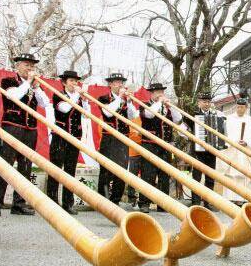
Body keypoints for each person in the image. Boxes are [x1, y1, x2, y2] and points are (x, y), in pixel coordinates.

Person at [0, 53, 50, 217]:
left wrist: (37, 87)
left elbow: (44, 103)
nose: (30, 68)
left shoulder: (34, 85)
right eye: (26, 64)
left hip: (30, 130)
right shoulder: (9, 81)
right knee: (5, 165)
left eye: (32, 65)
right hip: (12, 127)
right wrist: (28, 83)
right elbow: (14, 96)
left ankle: (19, 203)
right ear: (17, 66)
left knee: (25, 167)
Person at [46, 70, 89, 215]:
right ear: (64, 83)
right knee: (56, 169)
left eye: (76, 81)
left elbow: (87, 114)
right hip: (60, 136)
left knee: (70, 171)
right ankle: (52, 202)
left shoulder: (78, 97)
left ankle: (68, 203)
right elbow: (64, 109)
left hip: (75, 137)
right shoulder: (58, 94)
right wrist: (77, 95)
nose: (74, 84)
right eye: (71, 81)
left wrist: (84, 99)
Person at [96, 73, 138, 207]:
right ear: (110, 85)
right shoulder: (103, 98)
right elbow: (108, 113)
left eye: (121, 82)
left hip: (123, 138)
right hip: (109, 138)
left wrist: (130, 101)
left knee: (121, 170)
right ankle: (102, 200)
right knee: (106, 169)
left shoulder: (126, 100)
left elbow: (132, 117)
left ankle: (115, 200)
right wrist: (119, 98)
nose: (120, 85)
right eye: (116, 82)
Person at [139, 82, 181, 212]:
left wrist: (170, 106)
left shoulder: (166, 107)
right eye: (157, 92)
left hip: (165, 145)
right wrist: (159, 102)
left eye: (162, 91)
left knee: (164, 174)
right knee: (148, 174)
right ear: (151, 93)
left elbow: (178, 119)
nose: (160, 94)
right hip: (149, 144)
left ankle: (162, 204)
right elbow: (149, 115)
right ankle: (144, 203)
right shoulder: (145, 104)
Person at [185, 91, 225, 210]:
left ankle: (208, 202)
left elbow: (221, 131)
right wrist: (189, 135)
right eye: (204, 101)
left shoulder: (216, 115)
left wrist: (220, 143)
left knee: (210, 177)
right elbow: (184, 129)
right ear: (199, 103)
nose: (207, 104)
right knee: (196, 177)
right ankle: (195, 202)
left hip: (211, 151)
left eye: (208, 101)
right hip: (198, 151)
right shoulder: (193, 115)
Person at [219, 97, 251, 203]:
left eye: (242, 107)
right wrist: (232, 143)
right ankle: (230, 198)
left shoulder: (250, 120)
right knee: (230, 174)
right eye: (238, 107)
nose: (240, 109)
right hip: (231, 149)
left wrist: (247, 142)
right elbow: (224, 134)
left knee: (243, 174)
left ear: (246, 108)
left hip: (244, 150)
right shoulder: (229, 119)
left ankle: (242, 198)